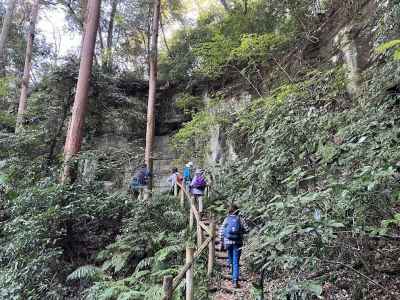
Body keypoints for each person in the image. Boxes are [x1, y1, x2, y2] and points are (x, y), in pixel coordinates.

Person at [219, 204, 249, 288]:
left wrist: (222, 242)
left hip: (228, 243)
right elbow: (247, 230)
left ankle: (233, 276)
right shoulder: (240, 219)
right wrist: (241, 231)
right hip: (237, 243)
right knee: (236, 261)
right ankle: (235, 281)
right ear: (237, 211)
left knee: (232, 261)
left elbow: (221, 232)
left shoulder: (226, 219)